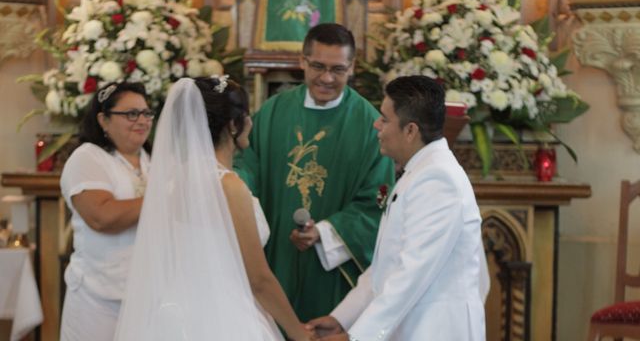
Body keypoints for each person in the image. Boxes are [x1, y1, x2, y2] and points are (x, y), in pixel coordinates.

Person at [114, 76, 314, 341]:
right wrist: (298, 332)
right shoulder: (229, 186)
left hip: (175, 315)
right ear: (233, 125)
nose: (251, 123)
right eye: (247, 116)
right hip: (225, 316)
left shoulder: (174, 181)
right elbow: (258, 279)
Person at [234, 23, 395, 320]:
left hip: (332, 273)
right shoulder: (273, 112)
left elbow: (377, 204)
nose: (327, 78)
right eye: (318, 66)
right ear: (302, 61)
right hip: (276, 257)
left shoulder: (371, 126)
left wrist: (323, 233)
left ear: (352, 67)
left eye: (338, 69)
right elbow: (247, 169)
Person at [307, 75, 486, 340]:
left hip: (437, 330)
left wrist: (356, 337)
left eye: (385, 119)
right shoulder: (420, 171)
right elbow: (386, 264)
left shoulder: (438, 179)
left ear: (411, 130)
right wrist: (342, 319)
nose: (376, 124)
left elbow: (411, 272)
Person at [59, 82, 153, 341]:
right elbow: (102, 217)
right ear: (103, 119)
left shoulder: (152, 160)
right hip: (97, 300)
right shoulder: (87, 158)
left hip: (145, 296)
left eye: (146, 113)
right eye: (131, 114)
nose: (142, 121)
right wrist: (163, 198)